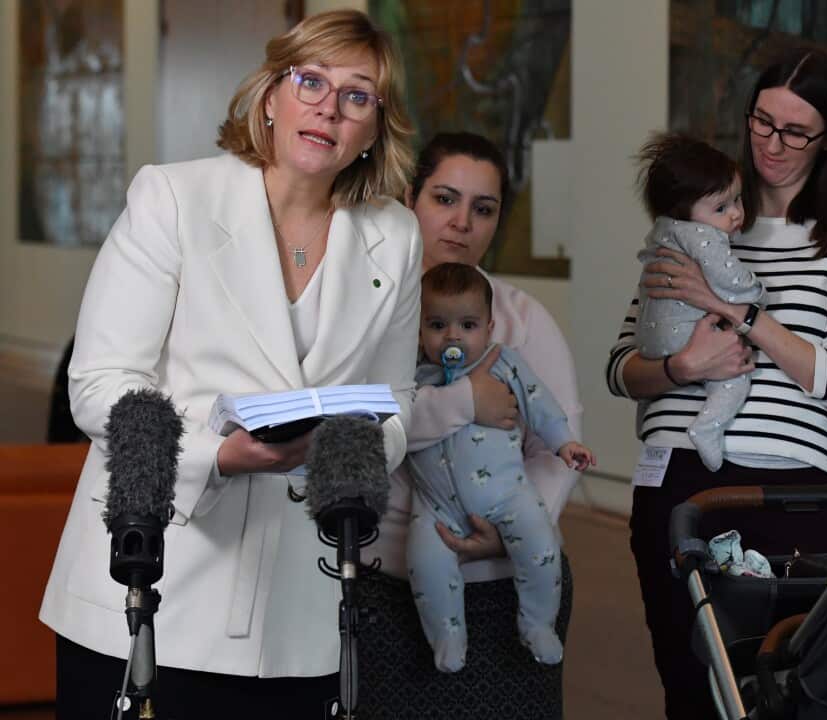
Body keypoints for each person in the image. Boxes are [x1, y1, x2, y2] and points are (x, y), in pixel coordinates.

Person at [39, 9, 421, 719]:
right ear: (270, 96)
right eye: (311, 81)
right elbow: (98, 384)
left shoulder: (395, 235)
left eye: (357, 95)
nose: (328, 108)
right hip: (152, 583)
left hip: (300, 614)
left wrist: (346, 449)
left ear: (374, 128)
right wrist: (217, 454)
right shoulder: (174, 197)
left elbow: (397, 406)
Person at [606, 48, 827, 719]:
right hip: (675, 476)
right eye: (762, 121)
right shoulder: (695, 214)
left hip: (790, 489)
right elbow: (620, 367)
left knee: (781, 693)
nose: (772, 143)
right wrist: (682, 369)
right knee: (690, 690)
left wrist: (735, 311)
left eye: (795, 131)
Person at [357, 132, 583, 719]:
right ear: (410, 199)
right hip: (389, 582)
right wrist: (464, 402)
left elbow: (555, 446)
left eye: (483, 209)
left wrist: (508, 531)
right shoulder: (369, 309)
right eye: (445, 199)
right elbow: (361, 428)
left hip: (508, 583)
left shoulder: (522, 319)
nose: (462, 223)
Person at [406, 262, 594, 673]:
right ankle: (447, 635)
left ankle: (538, 623)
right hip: (435, 506)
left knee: (542, 548)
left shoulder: (502, 362)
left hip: (509, 494)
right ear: (418, 331)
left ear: (489, 328)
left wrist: (564, 442)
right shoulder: (414, 374)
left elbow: (541, 403)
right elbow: (395, 421)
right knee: (425, 564)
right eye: (437, 325)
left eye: (467, 325)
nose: (452, 336)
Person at [631, 132, 763, 471]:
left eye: (737, 200)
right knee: (734, 377)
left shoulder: (664, 232)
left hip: (648, 341)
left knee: (655, 394)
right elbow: (730, 282)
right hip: (684, 337)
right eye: (721, 208)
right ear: (686, 211)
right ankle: (707, 427)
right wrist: (755, 290)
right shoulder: (704, 237)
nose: (735, 214)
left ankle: (645, 419)